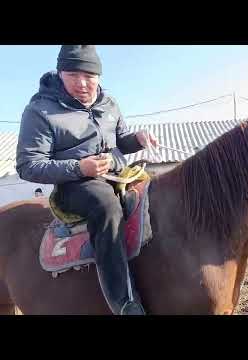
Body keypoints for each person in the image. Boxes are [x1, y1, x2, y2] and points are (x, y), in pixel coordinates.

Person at [16, 45, 159, 315]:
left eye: (89, 76)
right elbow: (28, 165)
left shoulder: (109, 103)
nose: (82, 83)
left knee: (155, 191)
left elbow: (120, 141)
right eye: (72, 75)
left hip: (114, 174)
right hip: (74, 185)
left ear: (99, 76)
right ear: (60, 74)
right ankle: (124, 301)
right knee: (107, 207)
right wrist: (80, 168)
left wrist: (136, 140)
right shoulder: (40, 111)